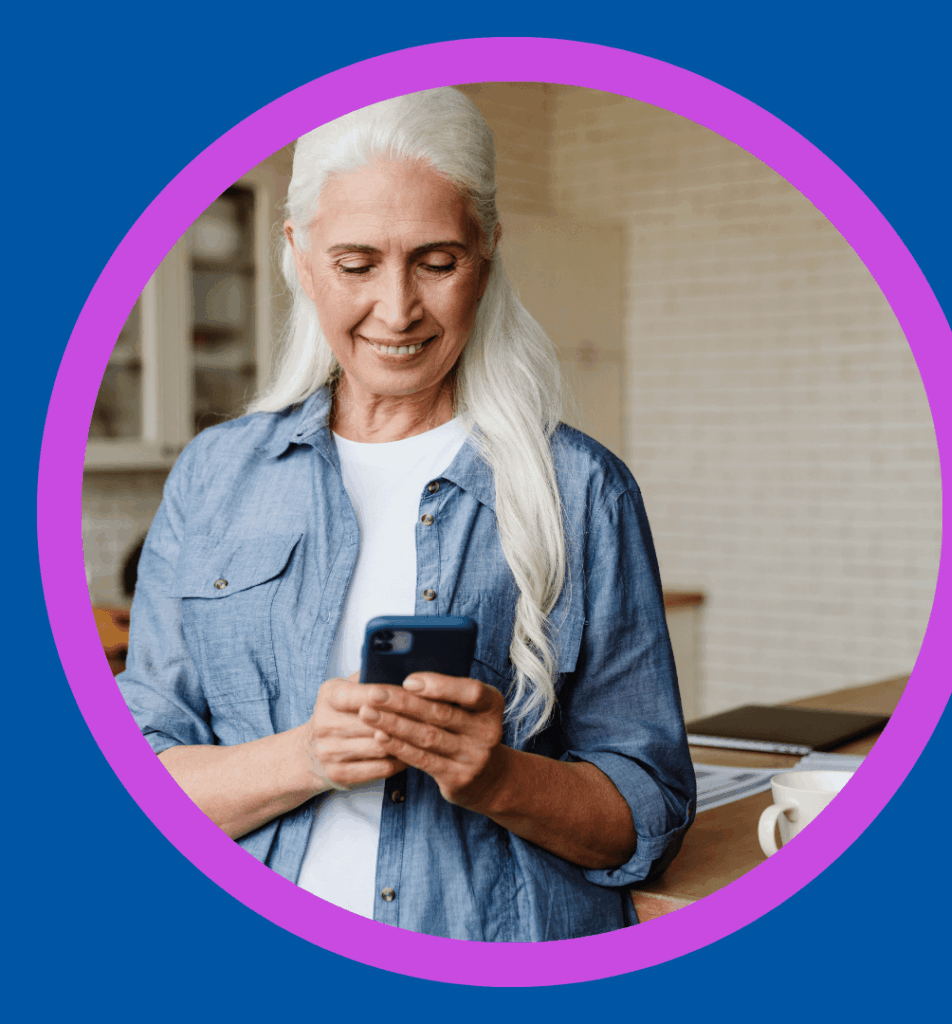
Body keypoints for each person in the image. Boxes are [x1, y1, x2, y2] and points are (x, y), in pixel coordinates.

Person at [118, 87, 696, 942]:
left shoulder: (583, 490)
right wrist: (307, 755)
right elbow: (137, 775)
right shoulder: (216, 475)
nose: (397, 311)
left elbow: (645, 815)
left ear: (489, 253)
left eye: (437, 262)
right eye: (357, 264)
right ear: (300, 255)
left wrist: (495, 776)